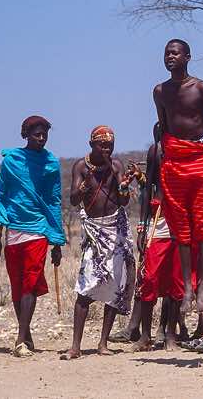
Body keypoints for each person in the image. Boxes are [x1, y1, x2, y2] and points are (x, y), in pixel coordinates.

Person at [154, 38, 203, 353]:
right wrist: (163, 158)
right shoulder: (160, 91)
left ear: (187, 56)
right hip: (175, 161)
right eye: (166, 52)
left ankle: (199, 291)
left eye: (175, 52)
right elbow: (163, 126)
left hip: (201, 159)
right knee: (181, 230)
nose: (169, 56)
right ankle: (186, 287)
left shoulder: (202, 88)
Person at [60, 126, 137, 360]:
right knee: (86, 286)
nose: (106, 149)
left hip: (117, 227)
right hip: (95, 231)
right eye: (102, 145)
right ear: (91, 145)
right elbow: (73, 200)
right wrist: (83, 187)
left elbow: (123, 201)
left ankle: (103, 342)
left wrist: (122, 183)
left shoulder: (116, 166)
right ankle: (76, 346)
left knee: (116, 283)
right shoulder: (81, 167)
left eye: (110, 145)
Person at [0, 115, 65, 358]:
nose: (41, 138)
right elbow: (0, 195)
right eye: (37, 134)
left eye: (45, 134)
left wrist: (56, 240)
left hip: (38, 230)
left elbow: (54, 201)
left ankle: (20, 339)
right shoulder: (12, 161)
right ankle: (27, 334)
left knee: (30, 283)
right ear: (26, 135)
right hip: (13, 229)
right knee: (17, 285)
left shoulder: (51, 164)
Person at [132, 124, 185, 352]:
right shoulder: (157, 151)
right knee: (150, 277)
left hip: (181, 217)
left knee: (176, 280)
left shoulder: (188, 149)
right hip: (159, 218)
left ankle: (171, 334)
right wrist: (143, 225)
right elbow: (148, 188)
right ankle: (144, 336)